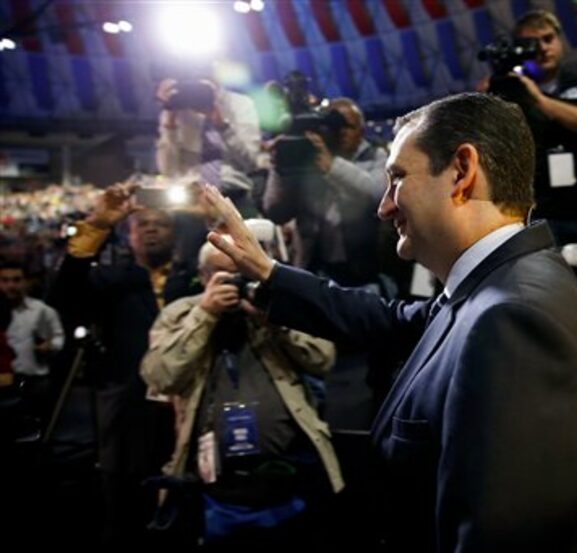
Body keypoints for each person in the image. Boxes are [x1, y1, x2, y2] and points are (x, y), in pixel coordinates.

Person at [204, 92, 577, 552]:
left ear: (461, 171)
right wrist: (270, 273)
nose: (385, 207)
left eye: (397, 179)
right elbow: (388, 320)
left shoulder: (513, 320)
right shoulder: (495, 288)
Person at [140, 236, 341, 548]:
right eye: (225, 275)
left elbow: (323, 359)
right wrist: (205, 315)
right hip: (213, 492)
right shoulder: (182, 313)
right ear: (204, 276)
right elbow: (160, 376)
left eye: (243, 274)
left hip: (286, 481)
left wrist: (273, 318)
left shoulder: (277, 308)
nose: (237, 283)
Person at [49, 183, 201, 546]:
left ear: (174, 233)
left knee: (187, 490)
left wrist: (205, 215)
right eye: (141, 224)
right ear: (129, 235)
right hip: (126, 404)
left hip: (186, 403)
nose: (150, 229)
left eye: (160, 223)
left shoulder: (195, 281)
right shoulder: (111, 281)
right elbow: (61, 296)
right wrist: (98, 224)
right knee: (123, 496)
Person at [485, 9, 577, 291]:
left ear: (560, 40)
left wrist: (539, 100)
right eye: (532, 44)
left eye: (548, 39)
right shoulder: (510, 92)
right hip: (533, 215)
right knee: (540, 297)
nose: (542, 48)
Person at [264, 97, 388, 288]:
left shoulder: (375, 155)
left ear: (361, 131)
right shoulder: (309, 157)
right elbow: (275, 211)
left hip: (364, 269)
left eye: (348, 126)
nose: (341, 132)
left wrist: (332, 166)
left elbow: (377, 194)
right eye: (334, 125)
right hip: (316, 269)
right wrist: (280, 166)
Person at [156, 76, 262, 214]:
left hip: (234, 193)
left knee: (252, 230)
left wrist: (223, 127)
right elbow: (168, 170)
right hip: (190, 198)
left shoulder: (240, 104)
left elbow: (251, 163)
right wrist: (170, 125)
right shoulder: (177, 105)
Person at [0, 260, 64, 426]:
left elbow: (58, 337)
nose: (11, 285)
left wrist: (50, 346)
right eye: (5, 280)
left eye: (16, 280)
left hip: (33, 382)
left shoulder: (41, 310)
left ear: (25, 282)